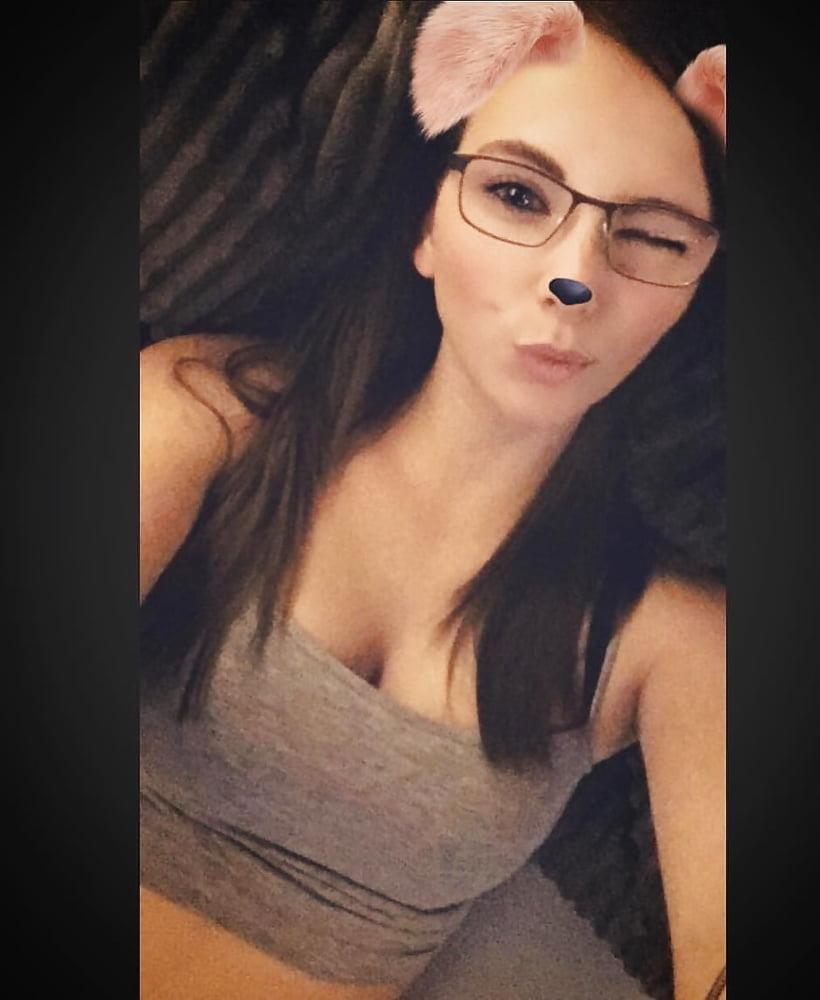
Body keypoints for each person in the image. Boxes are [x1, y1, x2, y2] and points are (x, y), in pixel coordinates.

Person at [139, 2, 726, 998]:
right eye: (517, 194)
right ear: (425, 226)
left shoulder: (669, 638)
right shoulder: (204, 415)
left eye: (652, 236)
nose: (574, 278)